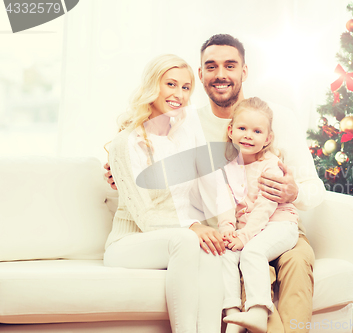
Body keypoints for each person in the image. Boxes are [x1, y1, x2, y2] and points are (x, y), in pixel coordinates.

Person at [105, 34, 326, 332]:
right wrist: (122, 174)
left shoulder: (276, 118)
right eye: (211, 67)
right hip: (224, 228)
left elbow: (315, 189)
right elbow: (155, 163)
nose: (220, 74)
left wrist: (294, 191)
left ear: (244, 72)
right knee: (233, 262)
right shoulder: (185, 122)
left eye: (230, 65)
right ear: (201, 75)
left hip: (275, 223)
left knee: (297, 262)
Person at [103, 54, 223, 333]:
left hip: (173, 236)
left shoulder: (185, 134)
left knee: (210, 249)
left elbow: (205, 188)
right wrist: (193, 226)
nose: (178, 94)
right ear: (152, 85)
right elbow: (145, 216)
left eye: (185, 87)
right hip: (128, 242)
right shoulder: (127, 141)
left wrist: (224, 227)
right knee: (187, 239)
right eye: (171, 84)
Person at [218, 97, 299, 333]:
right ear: (231, 131)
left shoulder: (271, 165)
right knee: (225, 252)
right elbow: (223, 202)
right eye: (242, 128)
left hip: (279, 224)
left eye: (257, 131)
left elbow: (265, 208)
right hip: (249, 229)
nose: (248, 135)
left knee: (252, 253)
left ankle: (258, 312)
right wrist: (227, 230)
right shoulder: (226, 167)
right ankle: (232, 314)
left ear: (268, 138)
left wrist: (244, 237)